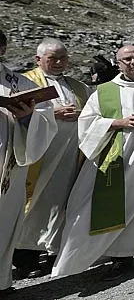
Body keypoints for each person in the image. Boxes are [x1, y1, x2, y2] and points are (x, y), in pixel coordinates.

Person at [52, 44, 134, 278]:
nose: (133, 62)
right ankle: (121, 257)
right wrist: (119, 123)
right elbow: (87, 122)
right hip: (115, 158)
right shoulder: (104, 91)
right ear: (118, 63)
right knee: (117, 205)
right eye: (127, 59)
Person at [15, 38, 90, 278]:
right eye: (52, 58)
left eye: (63, 58)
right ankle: (25, 258)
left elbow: (92, 114)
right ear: (38, 59)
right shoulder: (24, 82)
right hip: (37, 155)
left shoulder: (78, 87)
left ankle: (54, 252)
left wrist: (81, 114)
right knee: (32, 203)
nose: (59, 62)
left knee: (62, 201)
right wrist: (51, 112)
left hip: (69, 154)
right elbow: (12, 112)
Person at [0, 30, 57, 300]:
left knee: (6, 222)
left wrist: (27, 119)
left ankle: (1, 284)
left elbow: (46, 119)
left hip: (9, 165)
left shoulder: (19, 83)